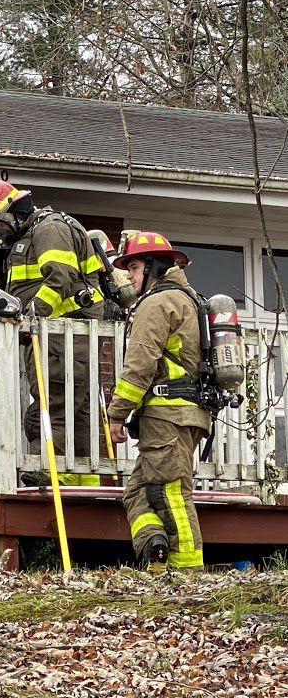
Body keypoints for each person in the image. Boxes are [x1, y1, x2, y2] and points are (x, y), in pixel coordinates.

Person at [0, 182, 105, 476]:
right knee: (73, 408)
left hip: (62, 334)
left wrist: (29, 317)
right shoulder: (28, 236)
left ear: (14, 213)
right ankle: (78, 478)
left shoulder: (49, 229)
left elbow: (60, 280)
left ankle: (51, 471)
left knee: (55, 402)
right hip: (53, 334)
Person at [106, 232, 209, 571]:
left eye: (134, 267)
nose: (130, 276)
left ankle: (187, 573)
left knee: (171, 494)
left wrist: (117, 414)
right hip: (180, 414)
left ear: (153, 266)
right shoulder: (187, 298)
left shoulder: (157, 302)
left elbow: (141, 362)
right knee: (136, 492)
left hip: (168, 415)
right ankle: (156, 550)